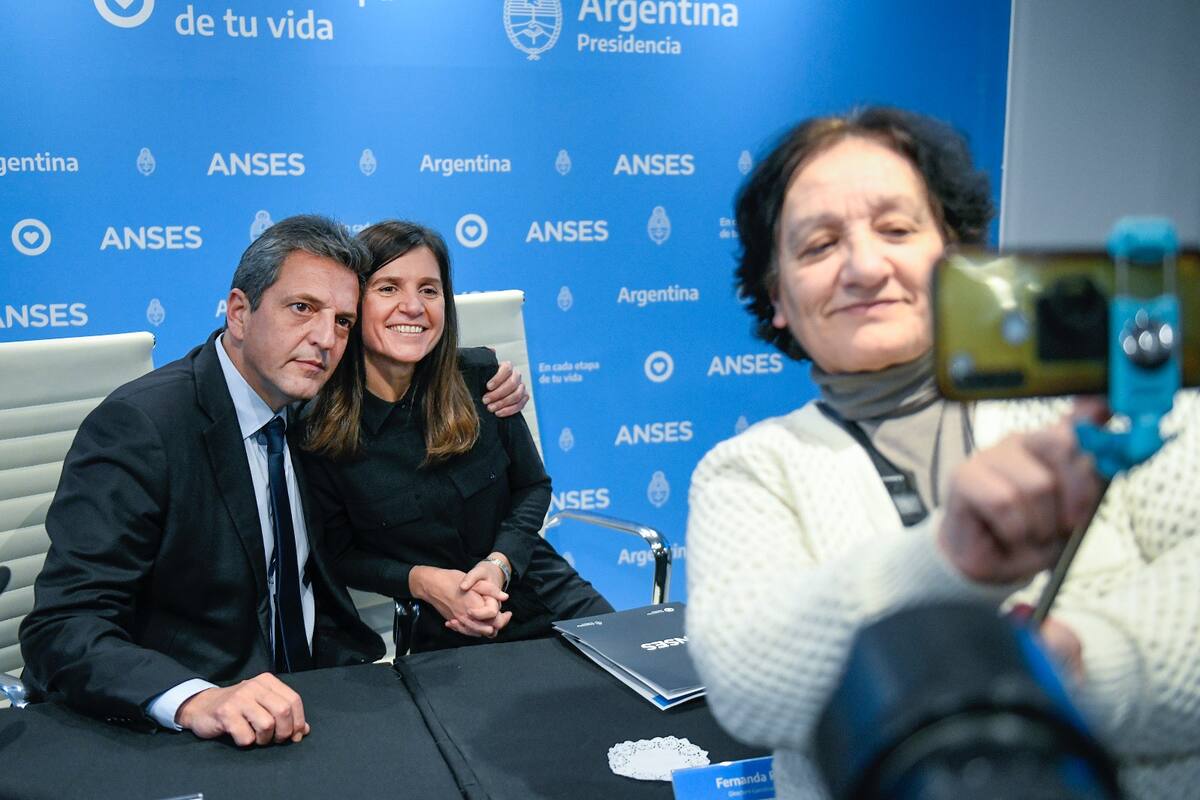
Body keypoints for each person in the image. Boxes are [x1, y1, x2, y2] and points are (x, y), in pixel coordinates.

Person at [685, 107, 1200, 798]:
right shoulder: (749, 470)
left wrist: (1074, 666)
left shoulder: (1108, 401)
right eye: (818, 246)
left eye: (897, 229)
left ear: (956, 255)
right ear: (777, 295)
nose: (865, 267)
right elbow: (747, 679)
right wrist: (949, 557)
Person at [19, 214, 529, 747]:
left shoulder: (313, 412)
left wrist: (492, 381)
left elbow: (412, 366)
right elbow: (62, 626)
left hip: (327, 689)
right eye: (302, 308)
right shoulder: (144, 427)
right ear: (240, 312)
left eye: (342, 321)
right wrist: (196, 699)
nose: (324, 338)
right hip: (205, 717)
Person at [302, 220, 612, 653]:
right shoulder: (318, 426)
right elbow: (338, 554)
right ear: (353, 303)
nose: (413, 306)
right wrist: (425, 583)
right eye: (388, 288)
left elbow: (533, 486)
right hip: (446, 624)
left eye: (429, 290)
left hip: (545, 589)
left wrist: (499, 562)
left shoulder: (482, 378)